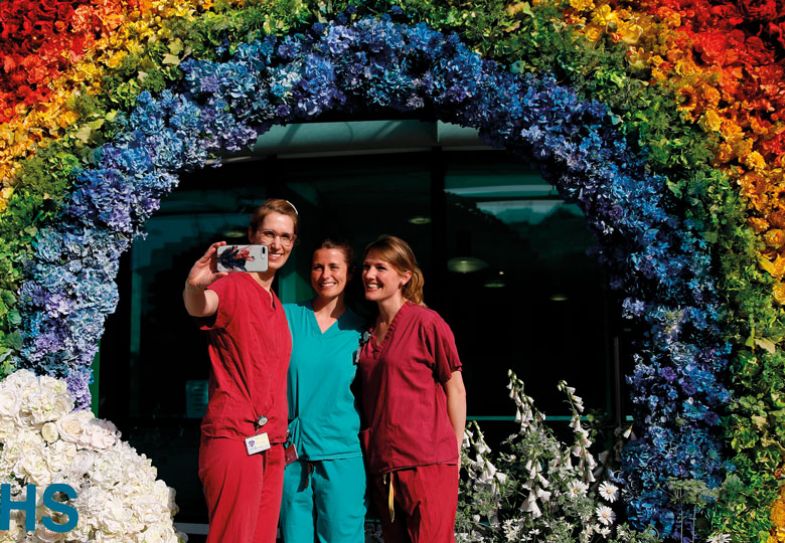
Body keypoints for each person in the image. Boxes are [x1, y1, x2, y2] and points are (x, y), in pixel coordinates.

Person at [183, 198, 298, 543]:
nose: (276, 244)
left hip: (271, 444)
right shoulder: (233, 284)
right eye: (269, 234)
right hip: (235, 438)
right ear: (251, 236)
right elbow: (201, 306)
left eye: (286, 237)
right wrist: (194, 285)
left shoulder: (276, 303)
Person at [357, 235, 467, 543]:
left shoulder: (426, 323)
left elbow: (455, 389)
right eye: (366, 267)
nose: (369, 275)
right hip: (384, 465)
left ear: (405, 276)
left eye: (381, 267)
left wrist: (453, 453)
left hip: (428, 463)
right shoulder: (365, 333)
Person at [279, 239, 367, 542]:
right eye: (318, 266)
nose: (325, 274)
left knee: (342, 537)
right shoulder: (286, 317)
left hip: (341, 453)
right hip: (291, 454)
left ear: (350, 273)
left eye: (334, 266)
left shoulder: (362, 331)